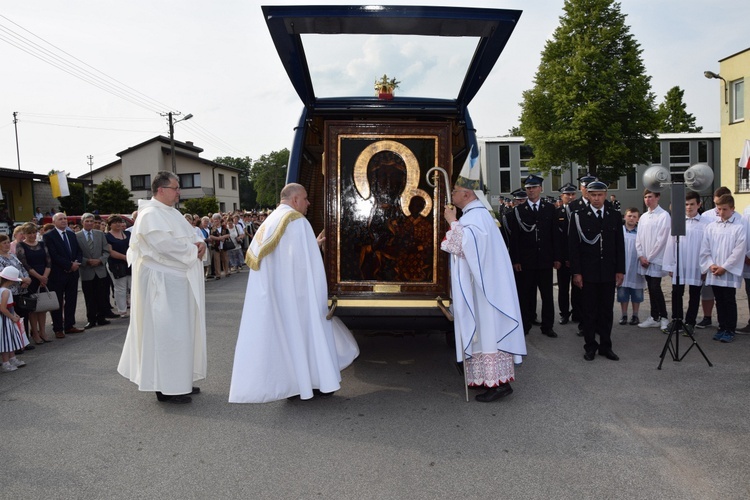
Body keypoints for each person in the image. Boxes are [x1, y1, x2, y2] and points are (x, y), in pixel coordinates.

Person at [229, 183, 359, 403]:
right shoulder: (296, 221)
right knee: (309, 335)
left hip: (281, 297)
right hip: (299, 297)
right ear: (296, 199)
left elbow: (285, 258)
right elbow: (305, 266)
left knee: (292, 341)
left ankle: (298, 385)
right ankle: (318, 383)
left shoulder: (270, 221)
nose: (308, 203)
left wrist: (313, 244)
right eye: (306, 199)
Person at [117, 171, 207, 405]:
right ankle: (165, 387)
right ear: (160, 190)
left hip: (177, 281)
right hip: (163, 285)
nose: (179, 192)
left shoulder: (171, 212)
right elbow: (164, 245)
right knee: (166, 334)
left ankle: (180, 380)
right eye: (176, 187)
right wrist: (191, 251)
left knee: (181, 332)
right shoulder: (150, 215)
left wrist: (201, 245)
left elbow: (192, 236)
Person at [441, 176, 525, 402]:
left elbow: (466, 246)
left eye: (456, 190)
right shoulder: (475, 215)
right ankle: (486, 379)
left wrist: (452, 222)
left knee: (488, 332)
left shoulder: (476, 217)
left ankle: (500, 384)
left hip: (485, 291)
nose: (453, 195)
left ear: (467, 194)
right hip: (480, 285)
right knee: (483, 333)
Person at [569, 181, 625, 361]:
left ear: (606, 195)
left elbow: (619, 245)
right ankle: (590, 346)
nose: (596, 198)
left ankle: (606, 346)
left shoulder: (614, 215)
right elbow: (574, 247)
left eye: (600, 194)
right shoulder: (578, 216)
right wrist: (576, 272)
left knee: (607, 311)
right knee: (589, 311)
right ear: (588, 195)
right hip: (588, 272)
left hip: (608, 271)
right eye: (593, 194)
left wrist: (620, 270)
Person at [506, 174, 561, 338]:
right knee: (525, 295)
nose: (531, 190)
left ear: (540, 189)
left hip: (545, 259)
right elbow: (514, 238)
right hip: (526, 260)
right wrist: (515, 260)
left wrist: (557, 257)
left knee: (547, 295)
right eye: (528, 188)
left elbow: (555, 236)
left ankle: (547, 326)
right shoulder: (518, 211)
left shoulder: (550, 209)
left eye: (534, 187)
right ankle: (525, 324)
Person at [699, 194, 747, 343]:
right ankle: (721, 327)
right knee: (719, 300)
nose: (721, 212)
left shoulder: (739, 227)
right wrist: (711, 265)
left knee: (729, 300)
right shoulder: (711, 227)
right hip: (715, 270)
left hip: (728, 271)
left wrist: (725, 267)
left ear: (732, 209)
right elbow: (705, 248)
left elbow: (739, 251)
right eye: (719, 209)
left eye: (725, 209)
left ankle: (730, 329)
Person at [662, 191, 709, 335]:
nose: (689, 207)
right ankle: (677, 320)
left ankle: (690, 322)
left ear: (699, 205)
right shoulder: (677, 220)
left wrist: (705, 266)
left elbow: (708, 246)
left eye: (692, 204)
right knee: (676, 292)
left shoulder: (706, 224)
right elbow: (670, 243)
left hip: (696, 263)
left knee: (694, 294)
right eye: (686, 204)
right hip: (680, 262)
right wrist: (670, 264)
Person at [43, 213, 84, 338]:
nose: (64, 221)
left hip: (73, 273)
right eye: (60, 219)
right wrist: (68, 265)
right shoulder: (49, 236)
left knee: (71, 300)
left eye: (65, 218)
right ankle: (58, 328)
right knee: (58, 302)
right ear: (54, 221)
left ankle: (69, 325)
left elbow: (78, 251)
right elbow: (53, 255)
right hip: (58, 274)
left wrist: (76, 263)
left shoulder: (71, 234)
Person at [636, 190, 671, 331]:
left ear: (657, 197)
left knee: (656, 288)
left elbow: (662, 240)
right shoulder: (643, 216)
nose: (647, 199)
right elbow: (638, 237)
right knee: (650, 288)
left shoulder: (664, 216)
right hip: (644, 259)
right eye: (645, 197)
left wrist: (649, 258)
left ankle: (664, 317)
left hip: (655, 259)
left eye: (650, 196)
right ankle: (654, 316)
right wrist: (640, 255)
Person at [16, 223, 52, 344]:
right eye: (29, 233)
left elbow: (48, 261)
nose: (32, 235)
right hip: (31, 278)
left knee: (43, 307)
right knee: (32, 308)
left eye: (33, 232)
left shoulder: (42, 244)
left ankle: (43, 332)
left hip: (44, 277)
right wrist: (39, 277)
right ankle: (35, 333)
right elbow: (24, 264)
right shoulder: (20, 245)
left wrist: (44, 277)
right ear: (24, 234)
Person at [76, 213, 112, 329]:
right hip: (87, 270)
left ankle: (101, 317)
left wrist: (100, 260)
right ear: (82, 222)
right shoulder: (76, 236)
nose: (90, 223)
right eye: (87, 221)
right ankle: (91, 319)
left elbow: (106, 251)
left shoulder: (100, 234)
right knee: (89, 297)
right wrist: (86, 261)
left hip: (100, 270)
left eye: (92, 221)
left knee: (101, 295)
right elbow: (76, 254)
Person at [618, 208, 645, 325]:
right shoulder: (619, 231)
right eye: (629, 216)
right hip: (622, 265)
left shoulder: (641, 232)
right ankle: (624, 315)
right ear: (625, 217)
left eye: (634, 216)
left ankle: (635, 315)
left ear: (638, 219)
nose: (631, 218)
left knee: (636, 292)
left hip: (636, 265)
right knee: (622, 292)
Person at [556, 182, 577, 324]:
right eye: (567, 194)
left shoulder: (580, 212)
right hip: (563, 259)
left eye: (572, 194)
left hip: (576, 259)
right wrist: (560, 258)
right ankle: (564, 313)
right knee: (563, 288)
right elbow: (556, 239)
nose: (570, 197)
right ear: (561, 196)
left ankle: (577, 313)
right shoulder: (556, 213)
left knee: (577, 289)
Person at [0, 266, 27, 372]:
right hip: (5, 319)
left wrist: (14, 314)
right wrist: (12, 317)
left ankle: (12, 358)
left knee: (10, 339)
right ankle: (6, 362)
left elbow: (9, 306)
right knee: (6, 340)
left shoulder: (3, 290)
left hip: (7, 318)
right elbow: (3, 308)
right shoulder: (6, 291)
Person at [104, 216, 131, 318]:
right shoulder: (107, 236)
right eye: (115, 222)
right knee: (120, 288)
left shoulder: (128, 234)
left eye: (119, 222)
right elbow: (110, 251)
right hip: (116, 265)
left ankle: (134, 308)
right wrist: (125, 257)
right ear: (110, 224)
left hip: (129, 264)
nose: (118, 224)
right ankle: (122, 310)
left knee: (132, 286)